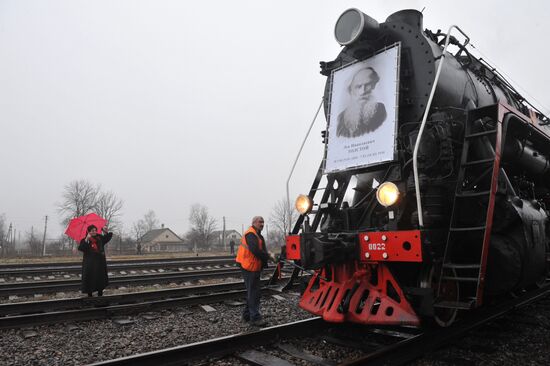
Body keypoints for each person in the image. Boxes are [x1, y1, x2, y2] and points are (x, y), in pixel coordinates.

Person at [236, 216, 270, 326]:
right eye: (260, 222)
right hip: (249, 266)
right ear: (254, 223)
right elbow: (255, 250)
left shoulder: (257, 234)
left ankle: (247, 315)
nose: (262, 224)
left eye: (263, 222)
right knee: (254, 293)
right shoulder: (250, 234)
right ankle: (255, 318)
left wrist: (266, 260)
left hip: (253, 266)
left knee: (252, 291)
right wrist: (269, 256)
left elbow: (260, 250)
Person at [336, 66, 387, 138]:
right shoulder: (341, 118)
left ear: (373, 86)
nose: (362, 92)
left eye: (367, 85)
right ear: (350, 90)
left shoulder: (380, 109)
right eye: (358, 86)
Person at [78, 224, 112, 297]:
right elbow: (81, 248)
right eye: (92, 231)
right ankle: (90, 294)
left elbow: (107, 238)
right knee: (90, 278)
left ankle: (100, 293)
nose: (94, 232)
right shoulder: (84, 240)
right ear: (89, 231)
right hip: (90, 263)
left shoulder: (99, 238)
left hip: (100, 263)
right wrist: (87, 239)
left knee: (100, 278)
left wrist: (105, 232)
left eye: (95, 230)